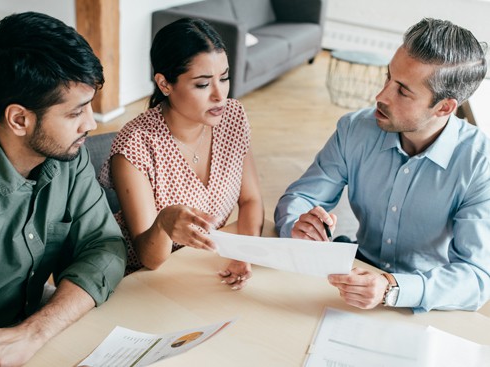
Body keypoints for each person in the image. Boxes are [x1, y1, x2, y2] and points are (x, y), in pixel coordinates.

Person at [275, 18, 490, 313]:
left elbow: (476, 277)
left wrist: (392, 287)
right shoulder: (354, 129)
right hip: (353, 274)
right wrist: (297, 226)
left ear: (444, 107)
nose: (380, 96)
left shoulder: (480, 163)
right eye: (387, 77)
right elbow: (300, 198)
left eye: (402, 91)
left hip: (425, 299)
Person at [0, 12, 127, 366]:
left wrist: (34, 332)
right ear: (19, 119)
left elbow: (103, 247)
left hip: (33, 338)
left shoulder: (66, 156)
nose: (91, 123)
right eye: (76, 113)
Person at [100, 18, 264, 288]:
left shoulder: (232, 116)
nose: (219, 95)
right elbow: (148, 258)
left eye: (224, 78)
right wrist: (164, 224)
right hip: (142, 280)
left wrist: (243, 253)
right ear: (164, 84)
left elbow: (251, 200)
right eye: (202, 84)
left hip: (202, 267)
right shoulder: (135, 144)